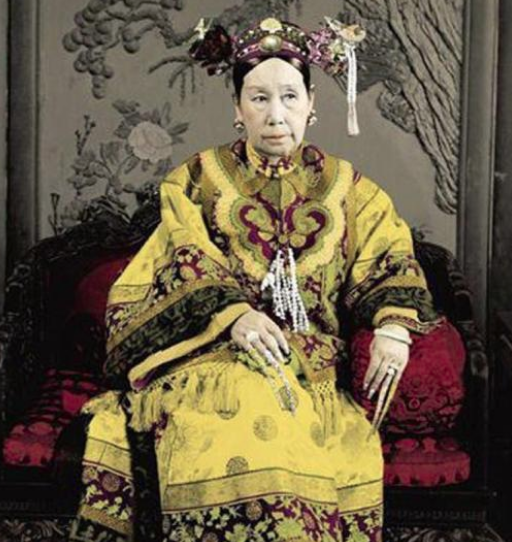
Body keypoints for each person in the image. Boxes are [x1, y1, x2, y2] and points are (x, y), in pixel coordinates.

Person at [68, 17, 441, 542]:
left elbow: (389, 257)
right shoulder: (196, 179)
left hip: (308, 363)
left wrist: (393, 328)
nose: (275, 115)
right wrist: (233, 316)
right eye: (259, 98)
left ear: (312, 104)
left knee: (287, 412)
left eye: (289, 97)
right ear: (237, 108)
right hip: (212, 355)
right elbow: (179, 257)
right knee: (234, 406)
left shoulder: (350, 188)